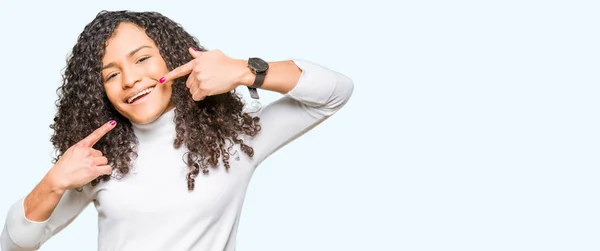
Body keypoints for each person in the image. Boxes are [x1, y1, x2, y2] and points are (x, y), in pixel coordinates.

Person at [0, 10, 353, 251]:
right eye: (111, 74)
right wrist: (53, 182)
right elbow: (14, 243)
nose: (130, 79)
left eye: (142, 59)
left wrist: (247, 71)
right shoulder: (99, 160)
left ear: (170, 56)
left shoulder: (233, 137)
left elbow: (334, 91)